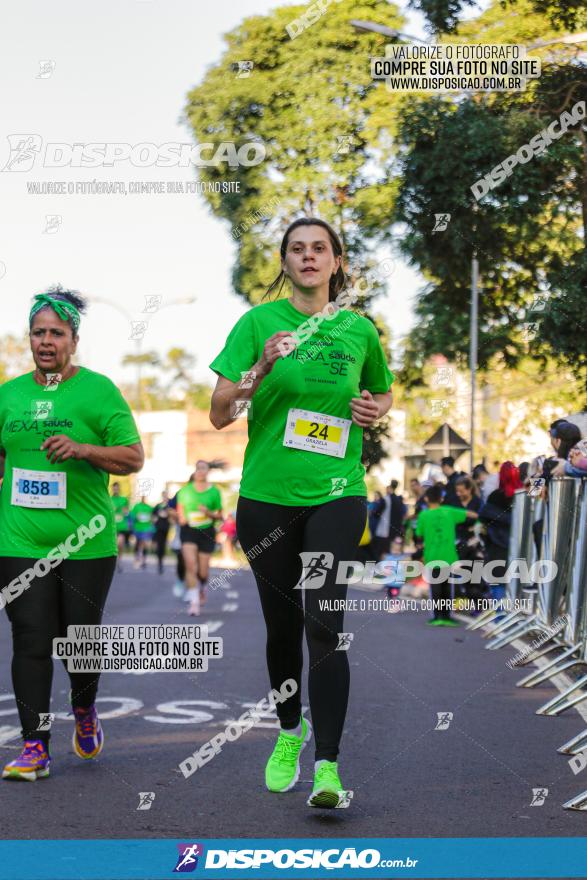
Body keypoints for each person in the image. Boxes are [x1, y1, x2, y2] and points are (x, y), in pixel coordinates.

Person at [209, 217, 394, 809]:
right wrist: (258, 369)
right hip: (266, 498)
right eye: (297, 249)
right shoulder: (257, 324)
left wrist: (374, 409)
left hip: (336, 493)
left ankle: (329, 768)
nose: (309, 257)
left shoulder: (358, 330)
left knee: (325, 623)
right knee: (282, 625)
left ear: (337, 261)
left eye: (320, 249)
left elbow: (383, 392)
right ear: (284, 262)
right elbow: (219, 413)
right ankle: (291, 729)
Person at [0, 287, 143, 781]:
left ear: (73, 341)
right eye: (38, 332)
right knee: (31, 640)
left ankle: (84, 710)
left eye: (56, 333)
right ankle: (35, 745)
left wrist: (83, 449)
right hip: (19, 541)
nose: (46, 341)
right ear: (30, 339)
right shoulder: (10, 395)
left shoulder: (99, 391)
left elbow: (132, 457)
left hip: (86, 542)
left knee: (78, 642)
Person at [415, 484, 478, 626]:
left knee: (435, 586)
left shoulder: (424, 515)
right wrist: (478, 521)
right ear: (441, 498)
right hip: (449, 556)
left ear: (426, 498)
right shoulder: (449, 511)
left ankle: (437, 617)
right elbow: (471, 515)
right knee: (447, 586)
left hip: (432, 556)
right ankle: (447, 617)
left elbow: (418, 534)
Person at [177, 460, 223, 616]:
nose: (200, 471)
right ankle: (194, 602)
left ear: (208, 471)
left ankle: (203, 586)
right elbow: (180, 509)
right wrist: (182, 517)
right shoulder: (185, 491)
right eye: (198, 468)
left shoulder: (214, 492)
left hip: (207, 532)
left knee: (203, 571)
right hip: (188, 530)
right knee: (190, 565)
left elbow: (220, 515)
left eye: (203, 468)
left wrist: (208, 513)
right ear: (195, 471)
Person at [478, 461, 522, 618]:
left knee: (498, 583)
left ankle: (501, 618)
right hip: (520, 546)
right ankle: (515, 618)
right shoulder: (524, 495)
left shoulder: (495, 496)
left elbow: (482, 519)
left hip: (497, 547)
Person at [372, 480, 407, 561]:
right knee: (390, 552)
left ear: (390, 487)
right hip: (394, 530)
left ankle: (380, 568)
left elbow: (376, 513)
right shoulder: (399, 500)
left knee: (380, 552)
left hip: (383, 530)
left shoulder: (386, 499)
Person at [130, 495, 154, 569]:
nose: (143, 498)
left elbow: (152, 517)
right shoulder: (137, 506)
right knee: (138, 543)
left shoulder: (149, 508)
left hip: (146, 528)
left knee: (145, 543)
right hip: (138, 528)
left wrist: (151, 521)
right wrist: (136, 517)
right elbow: (132, 515)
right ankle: (137, 557)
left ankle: (144, 560)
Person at [110, 481, 129, 571]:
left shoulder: (124, 500)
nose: (116, 490)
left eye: (117, 488)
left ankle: (119, 561)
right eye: (114, 488)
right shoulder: (109, 499)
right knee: (113, 546)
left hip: (121, 526)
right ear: (112, 489)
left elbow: (126, 511)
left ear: (119, 489)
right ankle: (113, 562)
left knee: (120, 544)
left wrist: (125, 511)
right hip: (111, 526)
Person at [152, 490, 171, 574]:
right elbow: (153, 516)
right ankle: (160, 562)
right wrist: (155, 520)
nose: (165, 497)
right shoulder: (158, 506)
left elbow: (172, 515)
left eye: (166, 495)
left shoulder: (169, 506)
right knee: (160, 545)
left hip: (166, 528)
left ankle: (161, 560)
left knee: (163, 545)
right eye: (164, 495)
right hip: (159, 528)